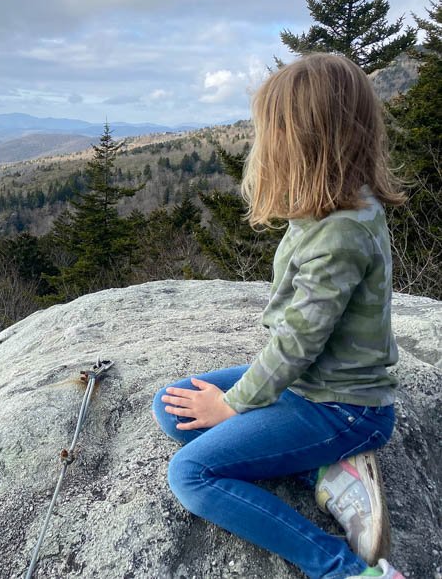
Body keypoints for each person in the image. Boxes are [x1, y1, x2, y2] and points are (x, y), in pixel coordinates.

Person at [151, 53, 407, 579]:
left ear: (307, 141)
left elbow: (297, 343)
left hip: (344, 408)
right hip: (307, 388)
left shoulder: (341, 233)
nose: (261, 145)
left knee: (191, 474)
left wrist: (234, 404)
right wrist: (235, 404)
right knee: (170, 407)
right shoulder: (324, 207)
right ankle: (324, 466)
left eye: (272, 131)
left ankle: (345, 570)